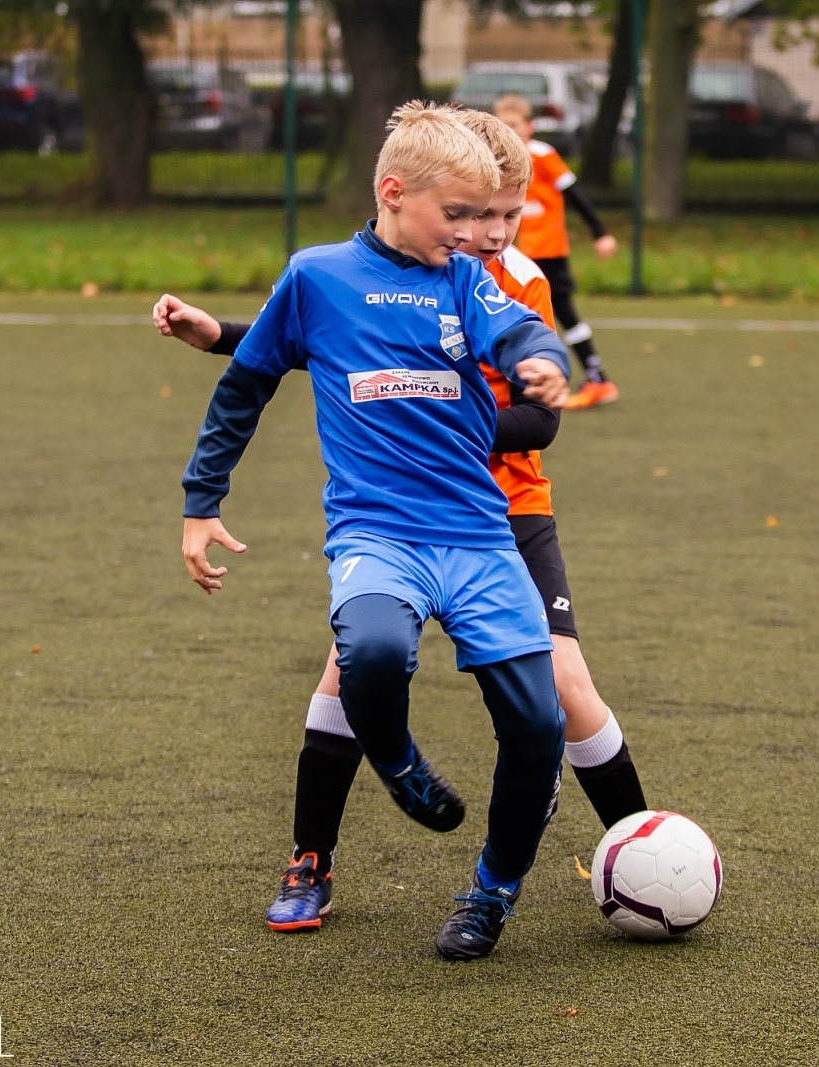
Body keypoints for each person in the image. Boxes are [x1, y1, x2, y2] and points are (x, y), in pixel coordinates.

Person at [154, 108, 651, 941]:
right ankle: (313, 855)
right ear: (417, 197)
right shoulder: (360, 266)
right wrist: (225, 342)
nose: (483, 232)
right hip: (386, 517)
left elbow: (515, 394)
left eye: (501, 216)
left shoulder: (499, 278)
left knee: (559, 693)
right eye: (468, 214)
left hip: (505, 511)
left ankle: (634, 844)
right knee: (357, 666)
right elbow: (337, 340)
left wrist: (452, 400)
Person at [491, 94, 620, 410]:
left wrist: (600, 233)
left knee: (561, 313)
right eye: (501, 125)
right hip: (520, 254)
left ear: (529, 127)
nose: (508, 131)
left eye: (514, 125)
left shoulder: (541, 154)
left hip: (548, 252)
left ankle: (598, 378)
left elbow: (574, 194)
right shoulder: (495, 162)